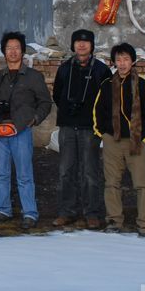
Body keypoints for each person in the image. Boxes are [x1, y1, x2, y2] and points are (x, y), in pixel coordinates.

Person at [0, 31, 53, 230]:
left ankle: (29, 213)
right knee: (1, 174)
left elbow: (45, 102)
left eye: (16, 48)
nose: (13, 52)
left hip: (21, 131)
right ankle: (3, 209)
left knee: (24, 175)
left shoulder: (33, 77)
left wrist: (33, 120)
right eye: (9, 48)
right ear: (4, 52)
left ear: (22, 51)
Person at [94, 43, 145, 237]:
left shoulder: (142, 84)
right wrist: (102, 133)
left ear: (133, 61)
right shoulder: (106, 85)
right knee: (111, 183)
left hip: (135, 140)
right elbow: (98, 110)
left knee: (141, 184)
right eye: (118, 59)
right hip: (112, 141)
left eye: (126, 59)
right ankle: (114, 220)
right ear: (114, 62)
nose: (122, 64)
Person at [52, 29, 111, 229]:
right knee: (65, 171)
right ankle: (66, 211)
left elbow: (107, 99)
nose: (81, 45)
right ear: (73, 45)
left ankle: (92, 212)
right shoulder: (64, 68)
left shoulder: (101, 70)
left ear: (92, 45)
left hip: (90, 128)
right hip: (68, 126)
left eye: (86, 42)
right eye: (77, 42)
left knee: (90, 171)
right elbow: (57, 95)